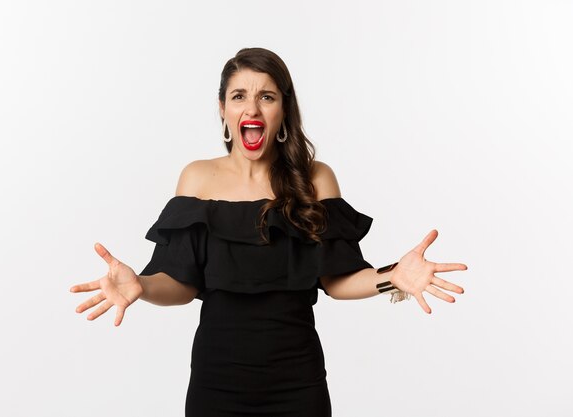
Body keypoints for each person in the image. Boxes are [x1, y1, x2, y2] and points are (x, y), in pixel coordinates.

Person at [70, 47, 467, 416]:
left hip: (298, 380)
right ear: (223, 108)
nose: (252, 106)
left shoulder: (315, 179)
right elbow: (180, 284)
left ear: (283, 109)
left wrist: (392, 276)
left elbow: (338, 279)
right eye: (239, 95)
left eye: (267, 96)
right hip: (216, 381)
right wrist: (140, 285)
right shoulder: (197, 178)